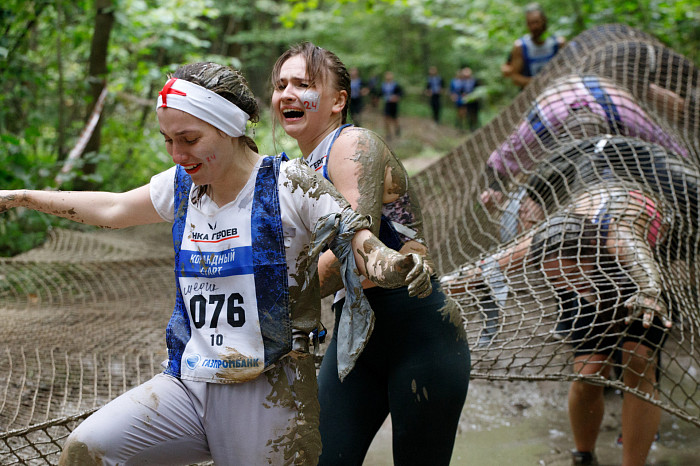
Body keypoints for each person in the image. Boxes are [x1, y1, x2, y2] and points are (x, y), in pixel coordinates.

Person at [0, 62, 435, 466]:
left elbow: (356, 240)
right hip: (187, 384)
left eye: (189, 140)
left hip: (268, 389)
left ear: (227, 128)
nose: (177, 154)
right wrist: (20, 197)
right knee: (87, 449)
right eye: (168, 141)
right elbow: (113, 208)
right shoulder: (182, 186)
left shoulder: (290, 183)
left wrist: (394, 266)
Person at [271, 42, 471, 466]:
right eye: (281, 84)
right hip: (354, 337)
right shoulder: (293, 169)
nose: (287, 93)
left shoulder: (355, 143)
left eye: (302, 84)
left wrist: (271, 305)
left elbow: (351, 250)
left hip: (417, 331)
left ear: (339, 100)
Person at [442, 176, 673, 466]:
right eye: (558, 280)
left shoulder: (619, 237)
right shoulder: (540, 241)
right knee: (588, 371)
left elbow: (646, 273)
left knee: (637, 361)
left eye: (570, 277)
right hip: (589, 270)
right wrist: (436, 286)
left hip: (637, 274)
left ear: (586, 257)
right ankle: (583, 455)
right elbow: (481, 269)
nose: (566, 284)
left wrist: (650, 295)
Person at [504, 2, 565, 89]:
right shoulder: (521, 46)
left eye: (536, 22)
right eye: (530, 23)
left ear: (544, 21)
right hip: (531, 93)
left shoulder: (557, 43)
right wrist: (536, 82)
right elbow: (515, 77)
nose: (534, 27)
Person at [380, 70, 403, 140]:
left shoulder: (395, 85)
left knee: (394, 118)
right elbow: (380, 93)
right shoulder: (383, 85)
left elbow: (401, 93)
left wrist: (396, 97)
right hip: (387, 103)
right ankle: (388, 133)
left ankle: (397, 128)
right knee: (386, 118)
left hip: (394, 104)